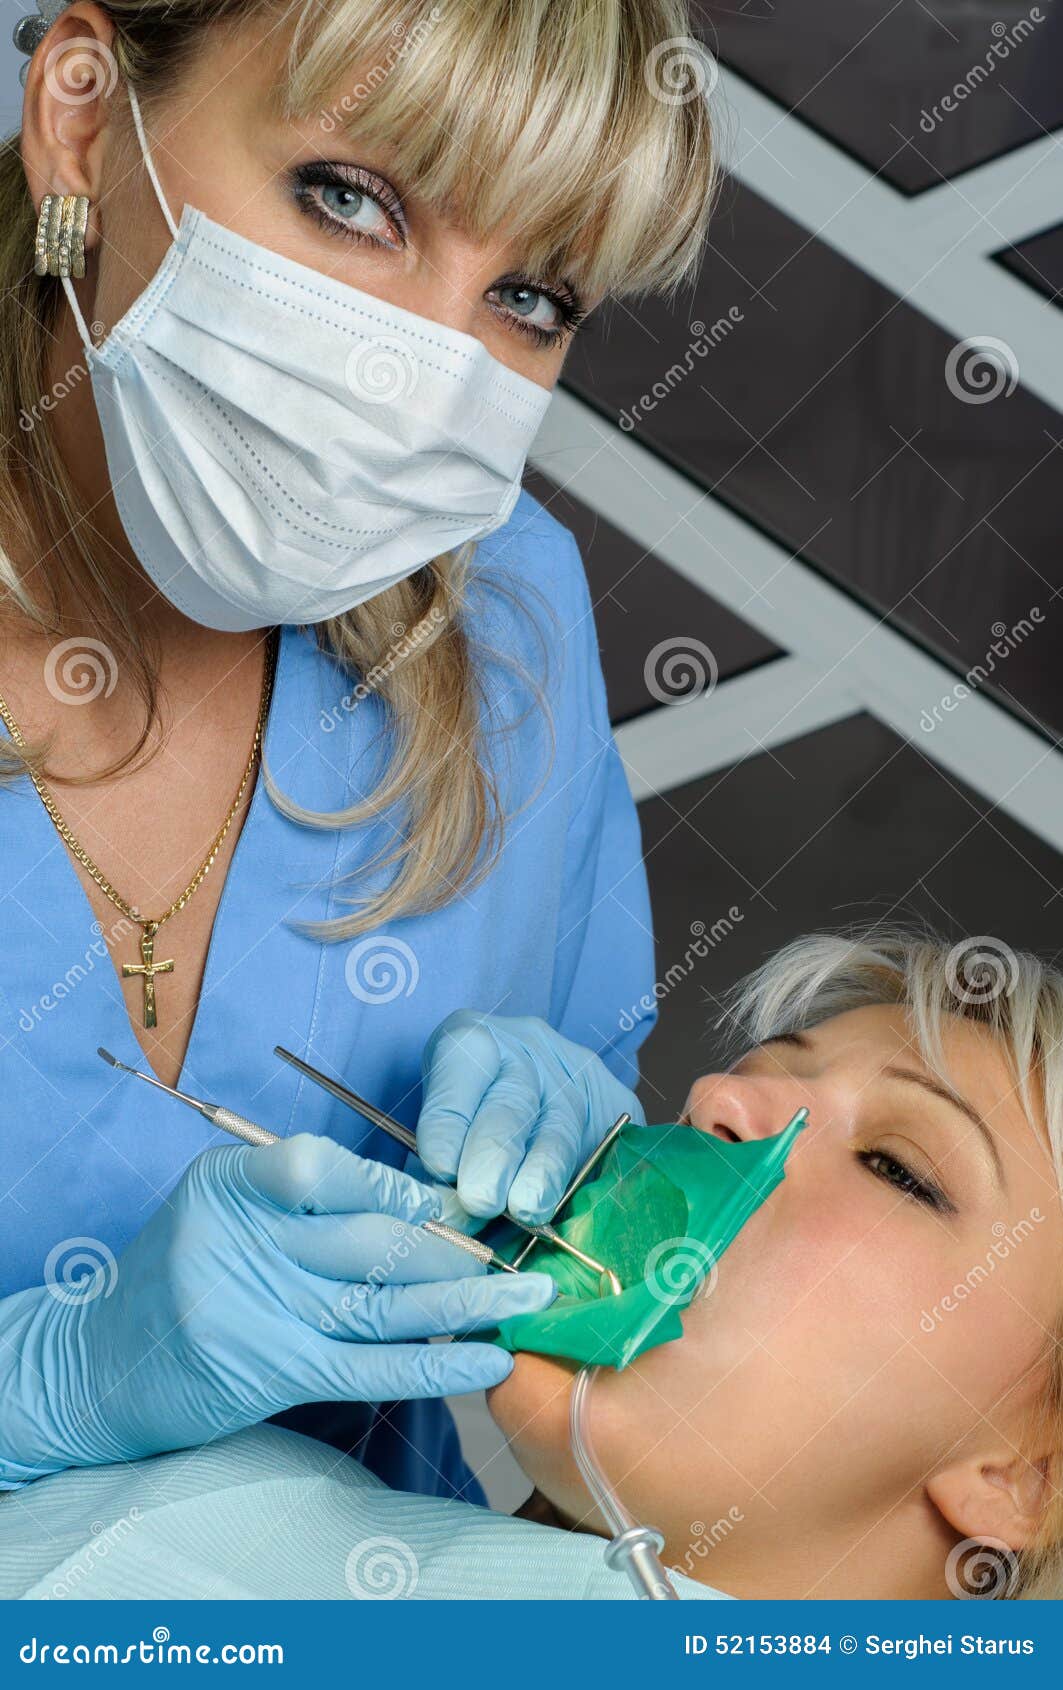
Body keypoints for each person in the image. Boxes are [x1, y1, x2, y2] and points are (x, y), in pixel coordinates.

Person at [0, 2, 716, 1497]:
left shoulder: (508, 615)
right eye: (351, 200)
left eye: (528, 296)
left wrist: (575, 1181)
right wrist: (49, 1385)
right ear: (77, 111)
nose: (421, 368)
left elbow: (582, 1162)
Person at [3, 927, 1058, 1602]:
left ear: (1027, 1478)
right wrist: (43, 1395)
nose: (715, 1104)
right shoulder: (248, 1501)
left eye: (895, 1167)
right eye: (749, 1076)